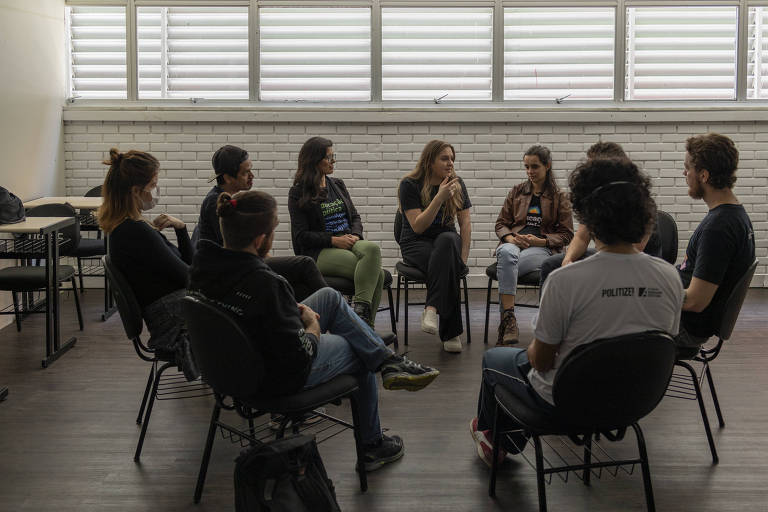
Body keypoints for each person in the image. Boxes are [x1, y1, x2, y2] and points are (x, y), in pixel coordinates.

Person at [188, 190, 441, 471]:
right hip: (270, 377)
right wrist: (312, 327)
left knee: (329, 297)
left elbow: (248, 310)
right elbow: (300, 357)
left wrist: (285, 310)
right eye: (272, 231)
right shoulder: (266, 283)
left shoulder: (203, 266)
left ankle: (388, 361)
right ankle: (372, 445)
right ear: (261, 240)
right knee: (359, 350)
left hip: (227, 367)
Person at [469, 157, 684, 467]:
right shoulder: (669, 277)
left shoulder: (564, 281)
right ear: (643, 216)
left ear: (589, 220)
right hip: (636, 401)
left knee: (494, 360)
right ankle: (497, 437)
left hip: (569, 403)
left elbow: (540, 361)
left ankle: (500, 441)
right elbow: (660, 342)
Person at [98, 148, 198, 380]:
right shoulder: (136, 231)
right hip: (176, 324)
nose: (156, 191)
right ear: (136, 191)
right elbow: (190, 276)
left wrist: (181, 230)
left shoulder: (125, 227)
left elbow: (186, 269)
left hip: (174, 312)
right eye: (153, 185)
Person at [197, 144, 327, 302]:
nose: (252, 175)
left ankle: (315, 316)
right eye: (246, 172)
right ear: (227, 177)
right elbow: (239, 249)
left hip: (242, 265)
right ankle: (332, 307)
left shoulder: (230, 200)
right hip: (233, 271)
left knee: (303, 287)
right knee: (305, 264)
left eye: (251, 169)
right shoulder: (215, 203)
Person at [288, 137, 385, 326]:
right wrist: (333, 240)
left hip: (349, 240)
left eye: (334, 156)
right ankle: (366, 328)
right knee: (378, 274)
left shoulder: (337, 185)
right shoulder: (298, 192)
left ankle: (360, 319)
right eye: (328, 157)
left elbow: (355, 217)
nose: (333, 161)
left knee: (372, 249)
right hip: (319, 251)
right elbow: (301, 236)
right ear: (314, 160)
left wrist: (355, 236)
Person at [675, 133, 755, 354]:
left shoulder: (718, 227)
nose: (685, 173)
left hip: (686, 328)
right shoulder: (735, 214)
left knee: (609, 317)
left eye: (687, 168)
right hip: (688, 319)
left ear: (703, 175)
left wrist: (650, 294)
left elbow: (694, 302)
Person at [538, 141, 661, 285]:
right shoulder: (596, 199)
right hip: (606, 255)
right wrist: (568, 260)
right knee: (551, 266)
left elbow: (630, 251)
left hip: (636, 260)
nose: (588, 174)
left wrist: (591, 267)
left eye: (593, 168)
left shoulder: (638, 201)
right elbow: (582, 237)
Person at [397, 140, 472, 353]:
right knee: (445, 262)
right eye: (444, 158)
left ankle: (431, 309)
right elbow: (418, 227)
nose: (450, 163)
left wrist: (463, 259)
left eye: (452, 159)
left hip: (446, 242)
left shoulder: (457, 183)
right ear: (430, 161)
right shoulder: (409, 185)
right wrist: (439, 198)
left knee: (448, 241)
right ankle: (452, 333)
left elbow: (465, 223)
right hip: (415, 242)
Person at [494, 145, 573, 346]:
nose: (530, 172)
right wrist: (511, 238)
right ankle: (510, 318)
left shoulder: (559, 197)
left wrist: (542, 241)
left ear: (548, 166)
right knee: (506, 254)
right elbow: (501, 224)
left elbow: (567, 235)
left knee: (506, 263)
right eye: (527, 167)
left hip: (542, 249)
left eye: (535, 167)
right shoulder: (517, 191)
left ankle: (507, 321)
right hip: (514, 244)